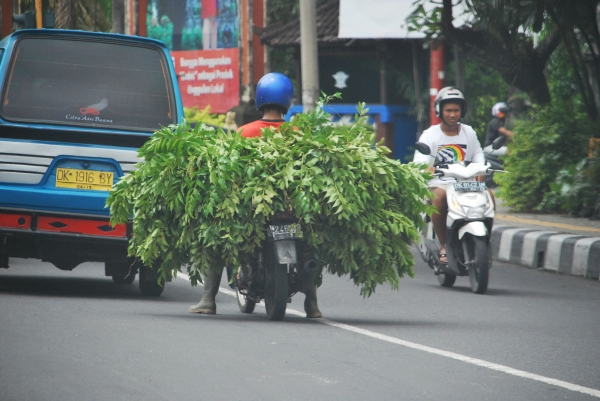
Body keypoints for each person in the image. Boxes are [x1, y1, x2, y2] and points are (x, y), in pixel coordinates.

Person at [189, 72, 323, 318]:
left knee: (216, 238)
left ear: (261, 100)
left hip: (250, 209)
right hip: (293, 208)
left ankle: (208, 300)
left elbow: (233, 173)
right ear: (288, 101)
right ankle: (312, 305)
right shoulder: (299, 133)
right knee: (309, 246)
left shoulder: (245, 132)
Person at [413, 87, 485, 265]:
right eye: (448, 110)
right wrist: (426, 169)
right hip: (440, 183)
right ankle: (444, 245)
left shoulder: (469, 132)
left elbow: (478, 156)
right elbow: (420, 161)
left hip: (465, 183)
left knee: (489, 196)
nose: (452, 114)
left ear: (462, 111)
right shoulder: (430, 134)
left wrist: (481, 171)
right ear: (440, 111)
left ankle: (484, 242)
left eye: (456, 110)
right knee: (439, 198)